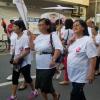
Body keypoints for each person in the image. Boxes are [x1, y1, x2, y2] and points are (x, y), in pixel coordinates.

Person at [32, 18, 63, 100]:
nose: (40, 26)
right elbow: (33, 48)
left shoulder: (53, 35)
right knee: (42, 85)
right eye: (39, 25)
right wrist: (29, 37)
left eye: (42, 25)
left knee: (44, 85)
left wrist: (53, 59)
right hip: (39, 66)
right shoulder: (39, 37)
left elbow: (58, 48)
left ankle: (55, 95)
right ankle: (55, 94)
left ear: (48, 26)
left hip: (49, 65)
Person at [67, 19, 97, 100]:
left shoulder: (88, 40)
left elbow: (93, 58)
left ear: (83, 28)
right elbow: (70, 53)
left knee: (74, 95)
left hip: (82, 74)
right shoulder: (73, 40)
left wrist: (91, 73)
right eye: (73, 26)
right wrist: (69, 42)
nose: (74, 27)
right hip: (73, 72)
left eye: (77, 25)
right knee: (80, 95)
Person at [7, 20, 37, 100]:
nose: (13, 28)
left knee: (28, 79)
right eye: (13, 26)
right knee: (15, 78)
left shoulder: (25, 37)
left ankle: (34, 91)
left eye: (15, 26)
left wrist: (18, 58)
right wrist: (14, 58)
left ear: (20, 28)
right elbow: (15, 49)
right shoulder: (16, 37)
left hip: (25, 63)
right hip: (17, 62)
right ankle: (13, 96)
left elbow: (27, 50)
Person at [59, 19, 74, 85]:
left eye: (65, 22)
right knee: (65, 62)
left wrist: (59, 33)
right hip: (71, 48)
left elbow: (62, 39)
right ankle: (67, 78)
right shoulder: (73, 31)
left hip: (66, 48)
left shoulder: (67, 31)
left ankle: (66, 79)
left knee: (66, 63)